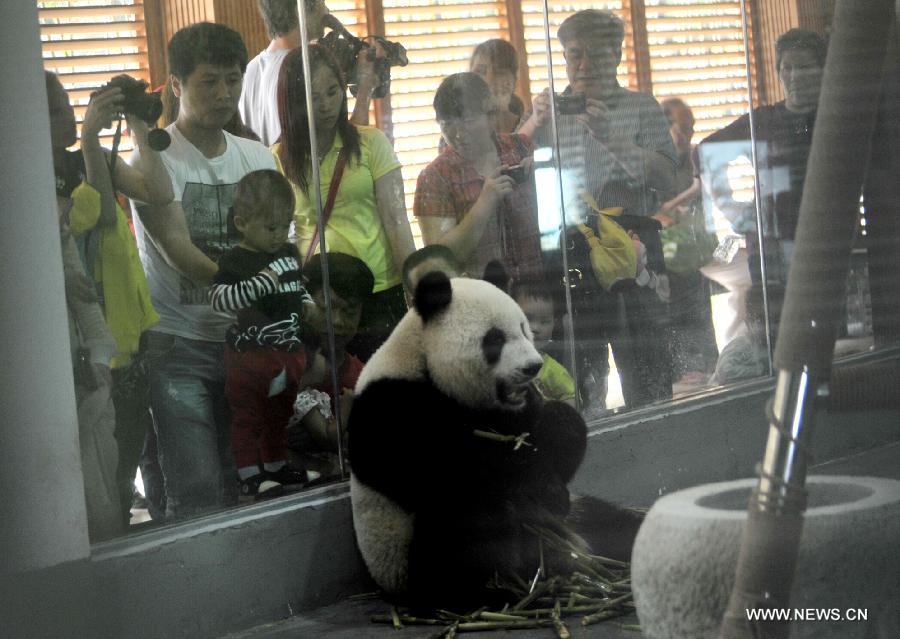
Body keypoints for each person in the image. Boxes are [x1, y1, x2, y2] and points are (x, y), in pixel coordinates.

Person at [130, 23, 278, 521]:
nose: (224, 94)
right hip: (180, 344)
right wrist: (256, 288)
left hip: (247, 343)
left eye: (233, 80)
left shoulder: (257, 157)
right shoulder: (155, 159)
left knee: (249, 480)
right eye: (208, 82)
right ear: (176, 85)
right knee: (195, 489)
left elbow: (282, 245)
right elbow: (177, 248)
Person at [519, 9, 677, 409]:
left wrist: (613, 138)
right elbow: (515, 173)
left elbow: (670, 181)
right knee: (580, 379)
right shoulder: (550, 113)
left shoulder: (642, 107)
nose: (584, 65)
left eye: (597, 55)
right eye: (574, 55)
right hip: (571, 249)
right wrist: (534, 124)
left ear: (618, 56)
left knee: (647, 373)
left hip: (635, 250)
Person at [47, 70, 174, 526]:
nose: (69, 112)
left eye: (67, 103)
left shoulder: (92, 155)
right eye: (57, 107)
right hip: (89, 349)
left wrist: (140, 125)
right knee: (99, 484)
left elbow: (159, 192)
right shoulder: (30, 180)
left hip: (130, 335)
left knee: (124, 472)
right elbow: (98, 211)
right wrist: (87, 138)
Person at [274, 44, 415, 361]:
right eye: (312, 97)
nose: (325, 105)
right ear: (292, 100)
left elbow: (396, 221)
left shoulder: (371, 142)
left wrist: (416, 282)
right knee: (327, 397)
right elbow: (280, 238)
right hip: (319, 299)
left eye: (332, 91)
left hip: (378, 290)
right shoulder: (277, 158)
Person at [211, 170, 318, 500]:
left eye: (284, 226)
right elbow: (220, 301)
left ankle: (275, 465)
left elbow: (294, 286)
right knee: (247, 416)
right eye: (270, 228)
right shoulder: (235, 259)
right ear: (242, 223)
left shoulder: (286, 253)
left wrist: (306, 301)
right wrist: (263, 280)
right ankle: (248, 474)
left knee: (280, 414)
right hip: (250, 357)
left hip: (287, 353)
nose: (278, 235)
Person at [699, 28, 827, 287]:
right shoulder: (764, 120)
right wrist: (732, 209)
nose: (793, 76)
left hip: (823, 238)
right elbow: (706, 152)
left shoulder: (831, 117)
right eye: (786, 68)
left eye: (803, 67)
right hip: (772, 245)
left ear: (822, 70)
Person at [414, 72, 543, 283]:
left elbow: (561, 216)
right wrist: (485, 202)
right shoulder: (435, 177)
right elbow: (439, 262)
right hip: (480, 299)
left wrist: (545, 178)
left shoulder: (521, 147)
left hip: (539, 290)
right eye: (447, 124)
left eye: (467, 121)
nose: (457, 134)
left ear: (491, 116)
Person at [240, 0, 383, 145]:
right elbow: (345, 152)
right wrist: (365, 87)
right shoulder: (304, 69)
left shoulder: (249, 70)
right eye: (321, 2)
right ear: (300, 10)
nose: (326, 10)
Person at [288, 252, 375, 479]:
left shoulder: (363, 379)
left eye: (349, 311)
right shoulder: (279, 367)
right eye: (327, 308)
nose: (337, 321)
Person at [654, 98, 719, 390]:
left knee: (703, 340)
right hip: (662, 270)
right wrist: (689, 194)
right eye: (681, 129)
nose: (686, 136)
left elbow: (705, 213)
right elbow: (650, 216)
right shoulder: (652, 163)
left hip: (691, 265)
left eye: (691, 129)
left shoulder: (694, 160)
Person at [510, 276, 576, 405]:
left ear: (554, 324)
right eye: (528, 318)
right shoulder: (501, 365)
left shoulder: (551, 370)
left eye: (545, 321)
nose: (535, 328)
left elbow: (570, 397)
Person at [470, 39, 525, 136]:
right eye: (480, 71)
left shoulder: (526, 126)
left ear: (513, 81)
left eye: (497, 73)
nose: (487, 80)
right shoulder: (459, 128)